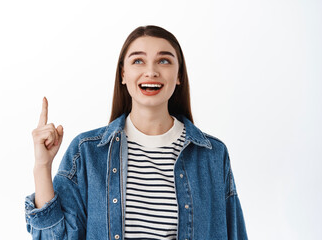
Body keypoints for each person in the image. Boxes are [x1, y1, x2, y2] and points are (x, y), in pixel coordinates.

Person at [25, 25, 248, 240]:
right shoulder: (87, 153)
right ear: (123, 74)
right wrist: (42, 167)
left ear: (179, 75)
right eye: (138, 61)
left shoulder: (212, 155)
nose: (151, 71)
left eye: (164, 60)